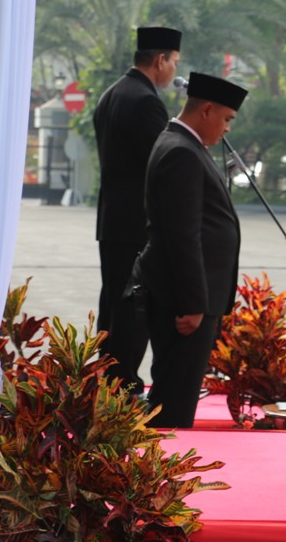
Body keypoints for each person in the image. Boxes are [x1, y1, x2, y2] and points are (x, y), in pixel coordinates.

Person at [130, 72, 248, 428]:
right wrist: (193, 303)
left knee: (173, 393)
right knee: (174, 403)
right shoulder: (181, 151)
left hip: (181, 294)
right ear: (207, 110)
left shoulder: (181, 144)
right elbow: (183, 235)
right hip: (182, 301)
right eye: (227, 119)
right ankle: (160, 473)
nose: (227, 129)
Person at [92, 26, 181, 390]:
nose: (174, 69)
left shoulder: (112, 93)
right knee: (131, 306)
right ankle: (123, 384)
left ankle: (108, 378)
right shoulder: (145, 101)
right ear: (160, 60)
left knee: (113, 300)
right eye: (174, 61)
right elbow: (160, 164)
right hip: (134, 223)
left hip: (113, 218)